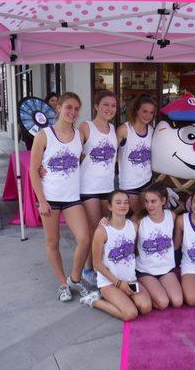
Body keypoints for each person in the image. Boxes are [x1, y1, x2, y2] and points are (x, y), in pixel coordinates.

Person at [29, 92, 91, 302]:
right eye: (68, 107)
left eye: (76, 109)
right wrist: (42, 201)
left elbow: (78, 159)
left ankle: (74, 278)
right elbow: (33, 170)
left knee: (84, 238)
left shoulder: (80, 136)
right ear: (59, 108)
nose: (72, 112)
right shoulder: (43, 135)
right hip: (50, 198)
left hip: (72, 197)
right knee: (52, 241)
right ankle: (62, 284)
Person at [81, 190, 152, 320]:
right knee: (130, 313)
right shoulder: (102, 231)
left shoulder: (134, 226)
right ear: (110, 206)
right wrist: (119, 283)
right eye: (118, 202)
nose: (123, 205)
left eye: (126, 202)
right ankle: (95, 301)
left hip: (130, 279)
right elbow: (97, 264)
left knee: (146, 307)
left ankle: (120, 298)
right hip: (109, 282)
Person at [79, 90, 119, 286]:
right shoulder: (86, 127)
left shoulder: (113, 129)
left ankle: (103, 266)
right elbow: (71, 151)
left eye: (113, 105)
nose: (110, 109)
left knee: (107, 230)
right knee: (96, 230)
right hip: (89, 187)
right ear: (96, 106)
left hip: (108, 187)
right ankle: (89, 269)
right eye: (105, 104)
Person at [135, 183, 183, 309]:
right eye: (146, 201)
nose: (149, 205)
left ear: (163, 201)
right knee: (163, 303)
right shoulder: (139, 221)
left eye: (153, 201)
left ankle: (156, 288)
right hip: (145, 270)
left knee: (177, 301)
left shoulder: (171, 216)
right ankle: (144, 288)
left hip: (166, 269)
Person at [117, 94, 156, 214]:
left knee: (146, 218)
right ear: (136, 110)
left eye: (151, 112)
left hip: (147, 182)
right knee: (134, 219)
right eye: (144, 111)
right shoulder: (124, 130)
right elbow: (112, 153)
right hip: (129, 184)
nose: (148, 115)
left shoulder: (152, 132)